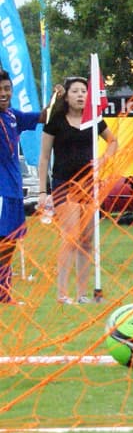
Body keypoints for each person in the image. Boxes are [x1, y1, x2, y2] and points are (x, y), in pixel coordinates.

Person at [37, 76, 118, 304]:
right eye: (76, 91)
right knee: (70, 236)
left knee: (86, 239)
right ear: (67, 96)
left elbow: (113, 142)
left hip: (89, 185)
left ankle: (82, 294)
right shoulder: (55, 121)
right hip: (64, 183)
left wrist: (103, 160)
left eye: (84, 91)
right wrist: (43, 192)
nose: (81, 95)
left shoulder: (94, 120)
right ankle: (62, 293)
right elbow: (43, 158)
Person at [1, 69, 47, 305]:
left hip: (12, 191)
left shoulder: (12, 116)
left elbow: (43, 117)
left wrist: (59, 98)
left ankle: (3, 294)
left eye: (7, 88)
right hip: (1, 191)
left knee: (8, 243)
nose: (3, 93)